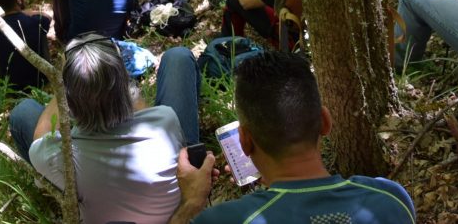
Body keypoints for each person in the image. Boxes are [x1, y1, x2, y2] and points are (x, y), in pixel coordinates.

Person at [170, 51, 415, 224]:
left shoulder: (223, 220)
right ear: (325, 122)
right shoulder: (392, 199)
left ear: (245, 141)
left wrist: (191, 203)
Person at [9, 34, 201, 224]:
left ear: (70, 100)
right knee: (178, 57)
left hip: (96, 200)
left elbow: (39, 138)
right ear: (124, 81)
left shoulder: (59, 156)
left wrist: (63, 84)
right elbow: (140, 111)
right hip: (176, 214)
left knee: (23, 112)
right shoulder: (165, 121)